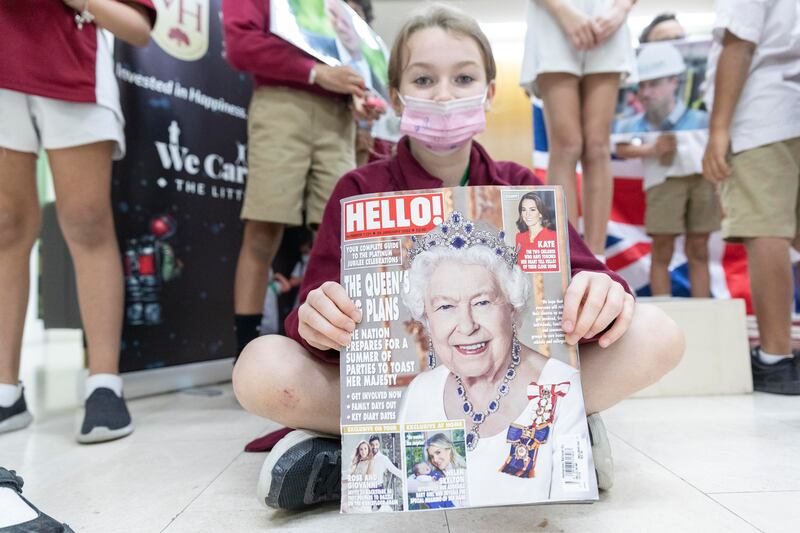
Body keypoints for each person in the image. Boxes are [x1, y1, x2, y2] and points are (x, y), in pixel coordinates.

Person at [235, 4, 684, 511]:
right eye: (423, 79)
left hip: (512, 384)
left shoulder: (520, 189)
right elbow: (309, 316)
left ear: (490, 92)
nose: (445, 95)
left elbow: (586, 275)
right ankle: (558, 426)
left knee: (657, 332)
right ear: (396, 94)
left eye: (464, 77)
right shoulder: (358, 190)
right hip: (385, 392)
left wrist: (604, 293)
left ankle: (349, 454)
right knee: (259, 366)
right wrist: (316, 318)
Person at [0, 1, 156, 444]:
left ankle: (104, 382)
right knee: (6, 226)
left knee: (86, 220)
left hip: (72, 62)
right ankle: (5, 389)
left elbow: (139, 26)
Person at [398, 213, 593, 504]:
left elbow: (573, 511)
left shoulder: (560, 386)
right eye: (446, 307)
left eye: (482, 302)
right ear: (427, 320)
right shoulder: (419, 392)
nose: (466, 325)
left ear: (513, 309)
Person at [222, 0, 380, 356]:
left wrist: (360, 94)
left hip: (340, 114)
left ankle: (339, 349)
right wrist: (315, 73)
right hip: (282, 103)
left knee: (346, 236)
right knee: (263, 228)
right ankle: (245, 354)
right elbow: (240, 44)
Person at [702, 0, 800, 393]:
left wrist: (719, 128)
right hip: (792, 110)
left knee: (767, 231)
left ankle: (776, 356)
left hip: (763, 114)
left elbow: (738, 43)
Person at [520, 0, 638, 260]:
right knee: (566, 144)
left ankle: (598, 258)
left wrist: (621, 9)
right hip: (553, 14)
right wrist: (562, 11)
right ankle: (568, 258)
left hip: (607, 15)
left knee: (597, 146)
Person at [614, 39, 718, 297]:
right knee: (662, 248)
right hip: (662, 180)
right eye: (643, 86)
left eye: (655, 83)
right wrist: (652, 149)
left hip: (702, 177)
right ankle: (663, 309)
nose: (647, 92)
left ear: (674, 81)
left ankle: (703, 310)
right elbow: (619, 148)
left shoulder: (703, 119)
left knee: (699, 248)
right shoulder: (631, 125)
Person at [515, 192, 559, 272]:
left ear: (540, 213)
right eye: (524, 210)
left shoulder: (554, 236)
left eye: (532, 210)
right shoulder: (519, 237)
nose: (527, 214)